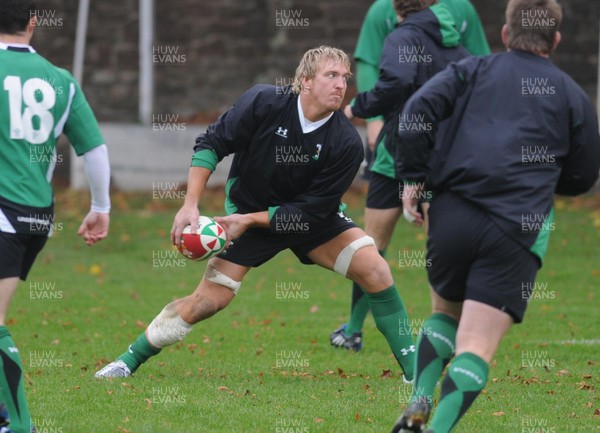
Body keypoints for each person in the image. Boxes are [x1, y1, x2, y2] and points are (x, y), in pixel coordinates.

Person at [95, 46, 417, 383]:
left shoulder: (346, 141)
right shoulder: (264, 102)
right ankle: (127, 361)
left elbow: (312, 211)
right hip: (246, 216)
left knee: (375, 269)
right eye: (331, 75)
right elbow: (212, 142)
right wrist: (190, 204)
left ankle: (414, 372)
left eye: (344, 78)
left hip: (309, 221)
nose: (341, 85)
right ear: (305, 81)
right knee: (207, 301)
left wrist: (249, 220)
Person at [390, 0, 600, 431]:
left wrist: (414, 179)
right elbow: (583, 175)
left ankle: (419, 399)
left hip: (452, 214)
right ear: (556, 40)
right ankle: (437, 428)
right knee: (476, 344)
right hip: (516, 227)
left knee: (445, 312)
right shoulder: (571, 95)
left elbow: (414, 112)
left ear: (505, 35)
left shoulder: (472, 70)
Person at [332, 0, 469, 351]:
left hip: (399, 156)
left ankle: (353, 331)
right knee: (445, 249)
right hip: (446, 156)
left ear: (396, 7)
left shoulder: (402, 37)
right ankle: (452, 336)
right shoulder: (455, 40)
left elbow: (396, 82)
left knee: (370, 246)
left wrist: (357, 108)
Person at [0, 1, 111, 432]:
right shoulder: (61, 81)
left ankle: (19, 424)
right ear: (32, 23)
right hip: (35, 218)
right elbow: (95, 151)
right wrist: (100, 208)